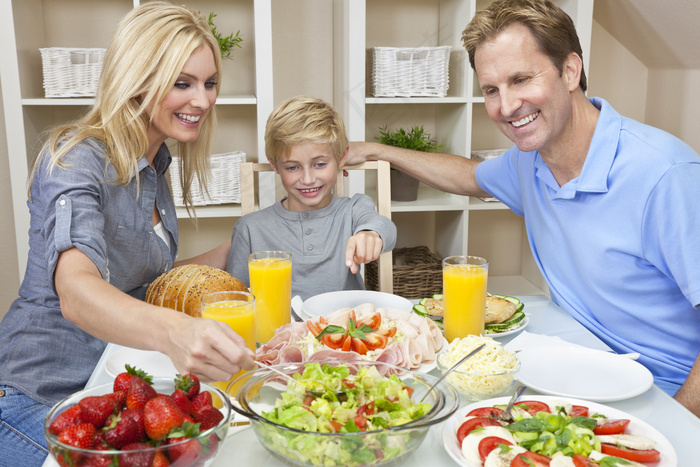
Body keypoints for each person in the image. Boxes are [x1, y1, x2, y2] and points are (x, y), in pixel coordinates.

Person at [347, 0, 700, 416]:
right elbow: (468, 176)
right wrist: (376, 150)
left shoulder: (667, 175)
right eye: (491, 90)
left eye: (521, 79)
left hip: (666, 394)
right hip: (579, 368)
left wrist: (679, 427)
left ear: (570, 71)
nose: (507, 106)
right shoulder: (529, 160)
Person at [0, 2, 255, 463]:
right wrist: (177, 330)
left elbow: (139, 278)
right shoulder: (75, 156)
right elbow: (77, 290)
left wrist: (241, 243)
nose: (203, 100)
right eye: (183, 83)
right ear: (137, 79)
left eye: (209, 82)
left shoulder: (155, 164)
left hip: (112, 395)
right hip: (38, 401)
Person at [226, 96, 396, 300]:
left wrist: (370, 233)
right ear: (275, 166)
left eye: (320, 164)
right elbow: (236, 299)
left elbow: (384, 226)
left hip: (346, 329)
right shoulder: (250, 228)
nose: (308, 179)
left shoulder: (354, 209)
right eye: (292, 167)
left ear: (341, 157)